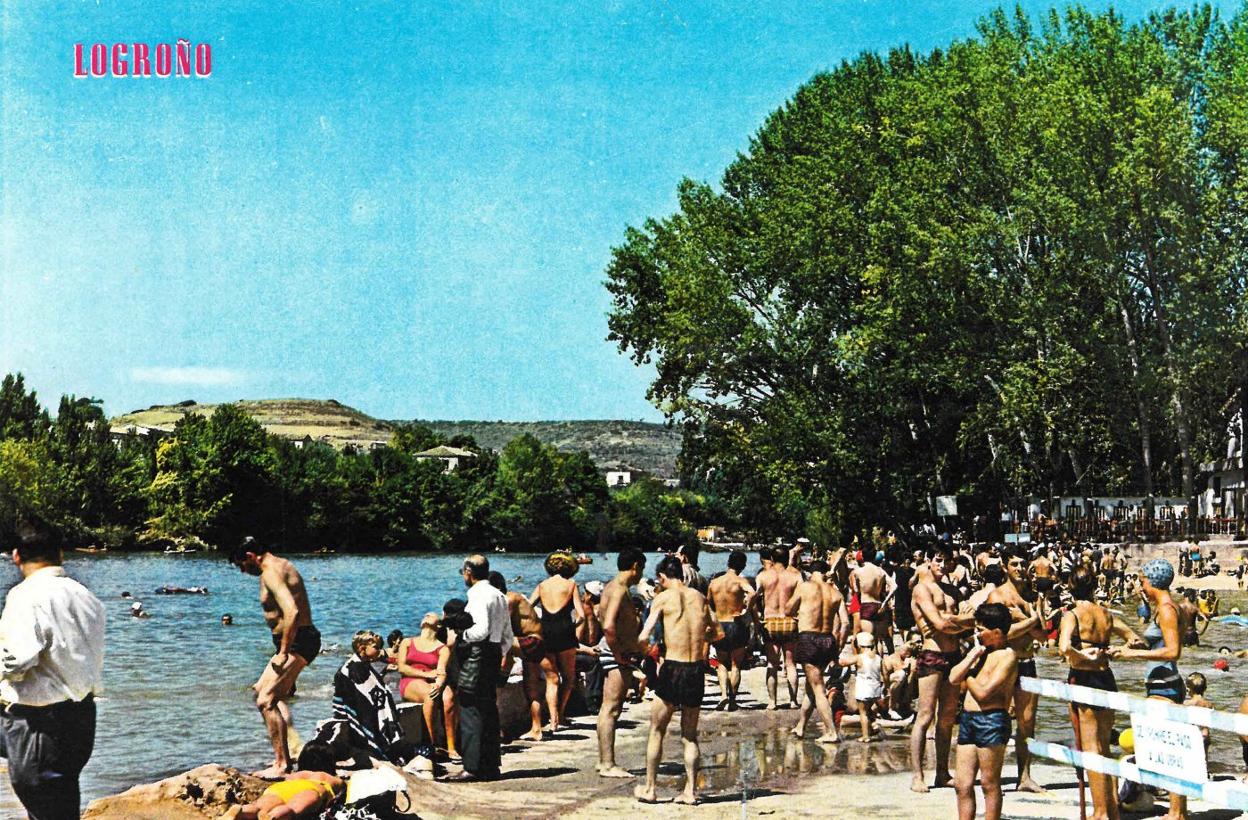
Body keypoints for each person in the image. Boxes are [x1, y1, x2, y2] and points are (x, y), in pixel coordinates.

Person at [0, 519, 105, 820]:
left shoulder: (25, 595)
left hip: (39, 721)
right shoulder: (86, 595)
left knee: (45, 804)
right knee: (59, 800)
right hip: (80, 717)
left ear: (16, 556)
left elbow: (17, 660)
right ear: (61, 554)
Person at [228, 536, 321, 778]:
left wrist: (282, 652)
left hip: (297, 642)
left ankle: (282, 764)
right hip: (295, 640)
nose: (242, 571)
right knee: (261, 690)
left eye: (241, 565)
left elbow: (292, 611)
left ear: (250, 556)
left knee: (266, 700)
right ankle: (291, 747)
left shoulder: (270, 572)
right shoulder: (281, 564)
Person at [634, 555, 721, 805]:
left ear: (662, 577)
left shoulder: (661, 598)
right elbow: (718, 633)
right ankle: (691, 792)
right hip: (695, 669)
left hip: (672, 667)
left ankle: (650, 789)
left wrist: (637, 652)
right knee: (690, 735)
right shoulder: (700, 598)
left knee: (657, 730)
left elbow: (644, 635)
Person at [1109, 558, 1186, 820]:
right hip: (1162, 683)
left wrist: (1130, 656)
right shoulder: (1166, 607)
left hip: (1164, 686)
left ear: (1152, 581)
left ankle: (1176, 812)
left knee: (1169, 750)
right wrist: (1130, 643)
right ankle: (1175, 809)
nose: (1140, 584)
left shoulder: (1166, 609)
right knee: (1162, 747)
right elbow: (1159, 644)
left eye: (1142, 579)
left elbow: (1173, 651)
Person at [1060, 564, 1137, 820]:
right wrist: (1114, 650)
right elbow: (1135, 639)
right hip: (1107, 676)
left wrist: (1082, 654)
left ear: (1071, 587)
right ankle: (1111, 807)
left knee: (1091, 749)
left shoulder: (1071, 614)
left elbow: (1063, 649)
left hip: (1084, 677)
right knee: (1105, 746)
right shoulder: (1106, 614)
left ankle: (1100, 812)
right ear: (1094, 586)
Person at [910, 543, 975, 793]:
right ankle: (917, 775)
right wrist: (957, 621)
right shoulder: (921, 589)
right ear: (928, 560)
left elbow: (966, 625)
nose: (942, 565)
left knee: (947, 716)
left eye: (946, 561)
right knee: (925, 715)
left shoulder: (952, 591)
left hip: (953, 654)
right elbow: (939, 623)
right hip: (932, 654)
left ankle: (941, 772)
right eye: (937, 560)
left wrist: (955, 621)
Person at [951, 603, 1019, 820]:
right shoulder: (981, 653)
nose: (977, 633)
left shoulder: (1007, 656)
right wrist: (973, 654)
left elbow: (983, 693)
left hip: (991, 720)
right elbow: (953, 677)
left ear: (996, 632)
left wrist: (968, 676)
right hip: (969, 719)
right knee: (962, 784)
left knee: (989, 783)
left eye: (981, 629)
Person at [449, 554, 513, 782]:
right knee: (488, 710)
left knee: (470, 708)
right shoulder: (499, 595)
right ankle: (491, 765)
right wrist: (499, 652)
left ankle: (472, 767)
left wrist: (461, 633)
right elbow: (507, 635)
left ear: (468, 571)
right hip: (493, 653)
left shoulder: (477, 595)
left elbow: (480, 630)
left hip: (477, 654)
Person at [986, 549, 1046, 793]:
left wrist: (1025, 618)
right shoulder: (997, 596)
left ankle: (1024, 776)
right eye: (1014, 564)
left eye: (1023, 563)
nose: (1020, 568)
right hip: (1004, 663)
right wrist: (1031, 621)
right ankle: (993, 776)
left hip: (1027, 661)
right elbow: (999, 635)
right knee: (998, 720)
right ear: (1004, 567)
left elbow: (1043, 636)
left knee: (1027, 722)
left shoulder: (1032, 597)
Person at [596, 549, 647, 778]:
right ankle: (608, 763)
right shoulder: (618, 589)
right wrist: (618, 654)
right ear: (635, 566)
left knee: (608, 708)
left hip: (617, 652)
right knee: (612, 709)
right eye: (642, 569)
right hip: (616, 654)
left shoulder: (613, 587)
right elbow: (607, 625)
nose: (641, 574)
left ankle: (603, 760)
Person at [788, 559, 848, 743]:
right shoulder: (836, 593)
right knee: (812, 685)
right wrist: (838, 646)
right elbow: (845, 623)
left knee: (818, 688)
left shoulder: (805, 587)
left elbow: (788, 609)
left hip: (809, 638)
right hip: (827, 639)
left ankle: (831, 731)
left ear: (811, 572)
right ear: (825, 572)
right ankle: (801, 726)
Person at [530, 552, 585, 736]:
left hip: (545, 631)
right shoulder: (571, 585)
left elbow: (528, 606)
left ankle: (552, 721)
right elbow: (581, 615)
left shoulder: (542, 585)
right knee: (568, 677)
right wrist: (573, 628)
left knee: (551, 678)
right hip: (565, 631)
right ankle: (560, 714)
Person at [225, 741, 344, 820]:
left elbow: (284, 777)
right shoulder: (328, 778)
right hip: (312, 789)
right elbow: (344, 790)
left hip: (281, 788)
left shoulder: (296, 775)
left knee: (258, 806)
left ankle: (241, 811)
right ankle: (272, 816)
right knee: (291, 809)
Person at [490, 571, 544, 743]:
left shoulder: (509, 599)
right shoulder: (514, 597)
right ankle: (537, 728)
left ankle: (499, 676)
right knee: (531, 687)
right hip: (536, 643)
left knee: (492, 639)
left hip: (531, 642)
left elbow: (502, 629)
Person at [396, 613, 455, 758]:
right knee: (430, 694)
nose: (426, 615)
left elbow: (441, 671)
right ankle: (431, 745)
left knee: (449, 698)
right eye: (425, 615)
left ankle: (451, 746)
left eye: (431, 615)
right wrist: (426, 674)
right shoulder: (407, 642)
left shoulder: (442, 648)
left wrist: (439, 683)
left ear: (439, 625)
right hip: (411, 680)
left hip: (433, 680)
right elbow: (402, 668)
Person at [707, 549, 755, 711]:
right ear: (742, 565)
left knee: (721, 663)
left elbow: (708, 604)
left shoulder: (715, 582)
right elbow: (753, 593)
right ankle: (732, 700)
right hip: (736, 623)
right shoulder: (739, 581)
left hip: (720, 622)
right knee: (735, 665)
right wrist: (747, 610)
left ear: (728, 563)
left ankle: (723, 696)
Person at [757, 544, 803, 709]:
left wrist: (756, 621)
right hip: (789, 621)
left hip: (770, 622)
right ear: (786, 559)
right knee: (790, 664)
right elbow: (801, 598)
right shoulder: (795, 576)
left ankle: (772, 702)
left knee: (772, 664)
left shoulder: (763, 576)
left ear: (771, 558)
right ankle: (793, 701)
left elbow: (754, 597)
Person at [839, 632, 884, 742]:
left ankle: (865, 736)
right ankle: (871, 729)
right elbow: (884, 673)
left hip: (864, 688)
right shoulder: (878, 658)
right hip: (875, 688)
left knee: (863, 713)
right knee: (870, 710)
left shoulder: (859, 657)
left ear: (859, 645)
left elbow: (843, 663)